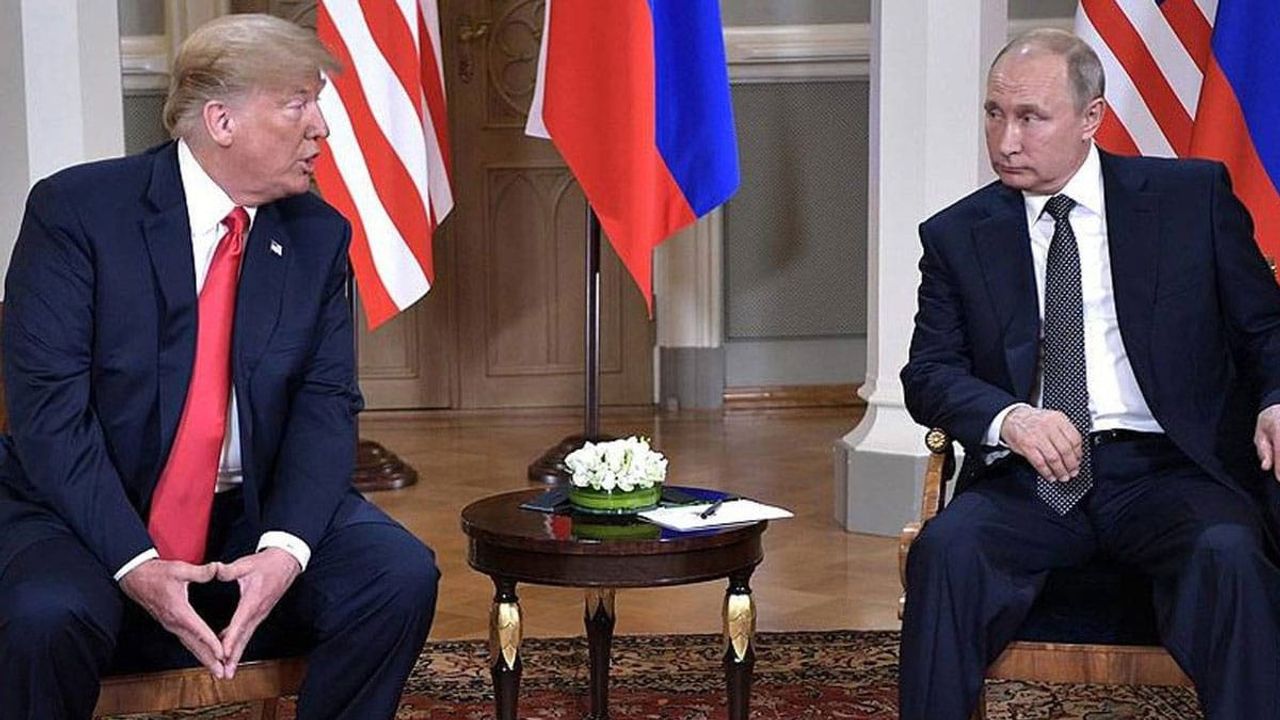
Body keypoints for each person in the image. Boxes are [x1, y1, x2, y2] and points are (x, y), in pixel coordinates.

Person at [0, 14, 439, 719]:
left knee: (397, 576)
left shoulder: (317, 236)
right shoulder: (78, 212)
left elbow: (326, 408)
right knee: (46, 615)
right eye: (298, 103)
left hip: (245, 512)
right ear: (221, 121)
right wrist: (136, 563)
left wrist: (285, 550)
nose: (321, 128)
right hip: (87, 513)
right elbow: (51, 418)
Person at [899, 28, 1280, 720]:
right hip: (1032, 478)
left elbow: (1266, 328)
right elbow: (928, 373)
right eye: (994, 114)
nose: (1006, 140)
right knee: (945, 551)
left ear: (1091, 117)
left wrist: (1277, 398)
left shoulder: (1190, 200)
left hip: (1170, 471)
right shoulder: (956, 235)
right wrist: (1011, 419)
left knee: (1228, 552)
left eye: (1030, 118)